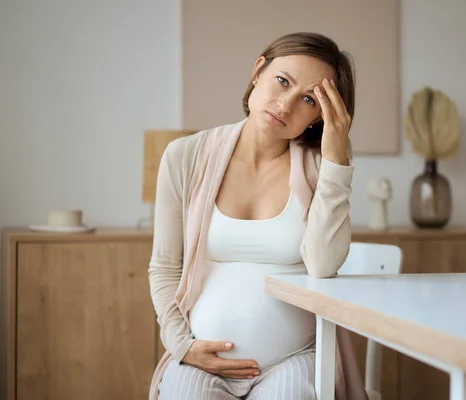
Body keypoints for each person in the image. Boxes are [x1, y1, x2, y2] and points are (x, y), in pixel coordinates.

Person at [148, 31, 363, 400]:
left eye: (308, 99)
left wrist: (335, 161)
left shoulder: (319, 170)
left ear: (320, 118)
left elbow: (324, 266)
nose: (285, 104)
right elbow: (165, 267)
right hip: (202, 355)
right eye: (282, 81)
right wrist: (181, 345)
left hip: (294, 358)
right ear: (258, 71)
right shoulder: (184, 156)